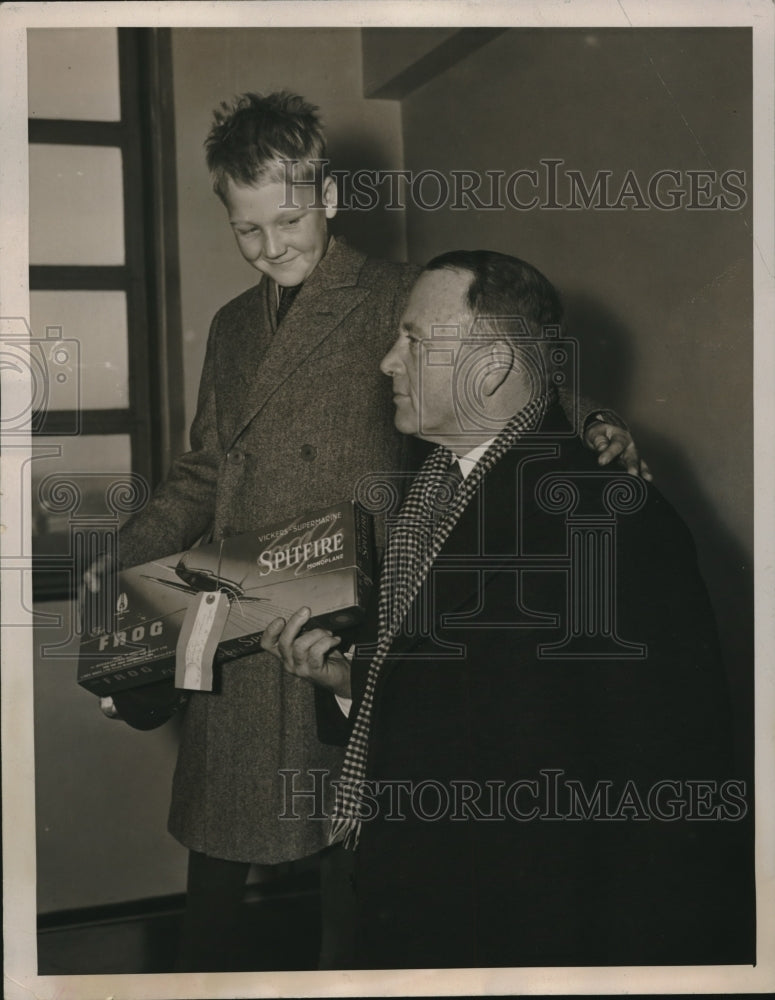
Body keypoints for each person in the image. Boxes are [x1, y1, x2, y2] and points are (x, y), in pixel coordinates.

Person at [87, 94, 646, 971]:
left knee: (366, 861)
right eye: (248, 231)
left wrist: (595, 427)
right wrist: (118, 564)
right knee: (220, 864)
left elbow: (503, 375)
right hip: (241, 615)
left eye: (290, 218)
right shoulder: (233, 327)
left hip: (362, 613)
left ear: (331, 198)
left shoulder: (395, 293)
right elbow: (203, 468)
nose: (273, 247)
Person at [263, 250, 754, 969]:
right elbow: (467, 698)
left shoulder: (608, 523)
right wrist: (349, 686)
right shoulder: (433, 488)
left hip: (531, 938)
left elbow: (667, 801)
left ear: (490, 367)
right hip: (429, 909)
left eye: (414, 340)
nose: (386, 362)